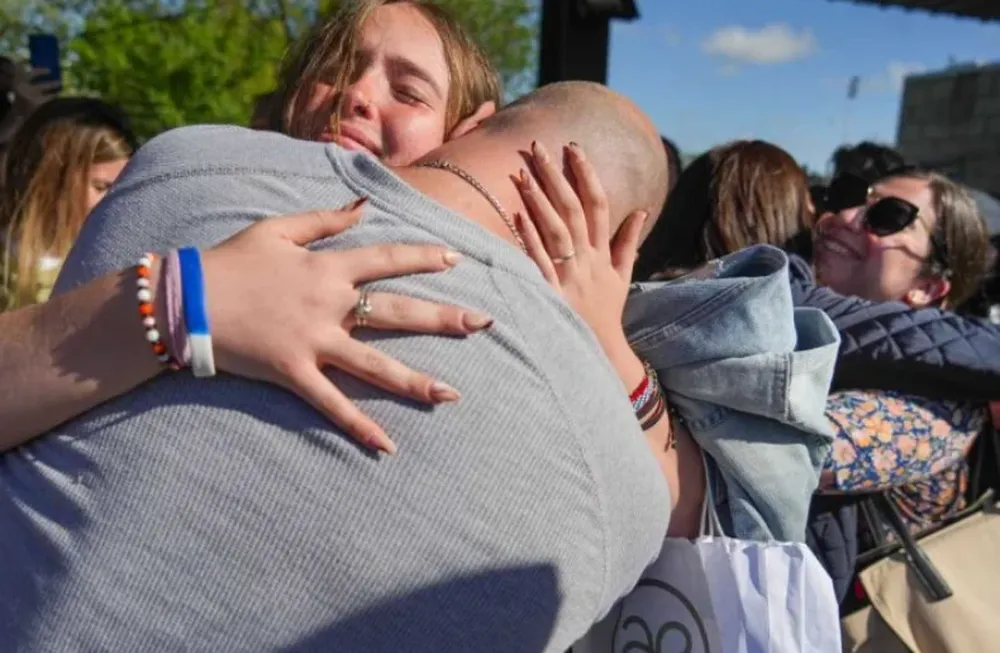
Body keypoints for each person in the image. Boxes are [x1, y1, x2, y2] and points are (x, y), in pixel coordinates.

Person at [0, 82, 675, 652]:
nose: (356, 96)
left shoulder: (188, 161)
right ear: (619, 245)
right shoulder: (621, 487)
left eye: (407, 89)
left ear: (468, 123)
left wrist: (180, 302)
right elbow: (677, 497)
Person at [0, 0, 504, 452]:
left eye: (409, 92)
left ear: (463, 134)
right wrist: (184, 299)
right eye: (335, 69)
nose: (357, 93)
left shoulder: (494, 283)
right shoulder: (179, 187)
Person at [0, 97, 136, 311]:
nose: (114, 203)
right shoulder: (8, 263)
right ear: (53, 183)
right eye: (101, 187)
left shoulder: (118, 262)